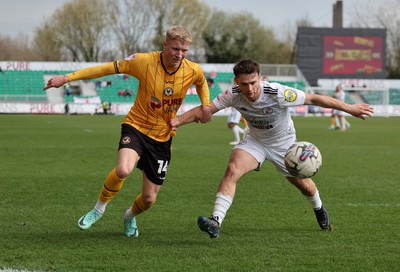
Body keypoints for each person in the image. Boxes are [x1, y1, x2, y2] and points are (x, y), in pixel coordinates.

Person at [169, 59, 374, 238]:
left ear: (259, 78)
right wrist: (178, 120)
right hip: (255, 142)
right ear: (236, 82)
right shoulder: (232, 94)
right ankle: (215, 221)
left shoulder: (277, 92)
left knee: (305, 187)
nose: (249, 89)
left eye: (253, 83)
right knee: (233, 169)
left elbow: (314, 98)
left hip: (285, 146)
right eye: (244, 84)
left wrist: (351, 109)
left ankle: (319, 208)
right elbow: (205, 109)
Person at [44, 25, 212, 237]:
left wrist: (206, 104)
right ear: (165, 44)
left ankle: (129, 216)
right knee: (123, 169)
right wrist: (67, 78)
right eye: (175, 49)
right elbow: (106, 68)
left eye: (184, 50)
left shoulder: (192, 69)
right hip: (136, 127)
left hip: (162, 138)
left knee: (149, 199)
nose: (179, 54)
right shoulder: (143, 61)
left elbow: (201, 83)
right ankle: (98, 209)